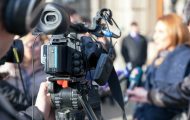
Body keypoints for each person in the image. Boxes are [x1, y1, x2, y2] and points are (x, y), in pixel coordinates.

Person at [127, 1, 190, 119]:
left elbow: (178, 95)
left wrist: (148, 96)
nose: (155, 36)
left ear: (175, 32)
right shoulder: (160, 56)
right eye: (155, 31)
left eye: (161, 32)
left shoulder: (184, 56)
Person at [0, 0, 54, 120]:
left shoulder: (47, 69)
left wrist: (38, 113)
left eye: (37, 44)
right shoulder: (7, 72)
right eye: (30, 45)